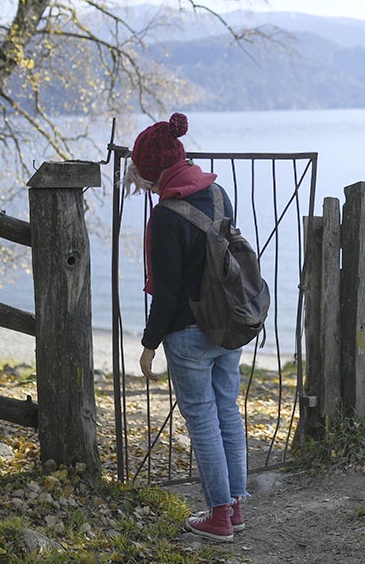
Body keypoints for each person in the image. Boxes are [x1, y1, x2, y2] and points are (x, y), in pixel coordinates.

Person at [124, 112, 248, 542]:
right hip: (228, 323)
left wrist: (148, 344)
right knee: (227, 410)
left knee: (202, 419)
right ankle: (234, 506)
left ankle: (217, 516)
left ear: (154, 170)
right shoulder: (218, 194)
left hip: (189, 336)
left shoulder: (165, 217)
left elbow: (169, 293)